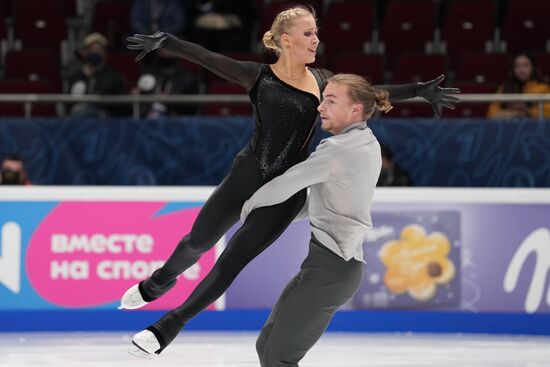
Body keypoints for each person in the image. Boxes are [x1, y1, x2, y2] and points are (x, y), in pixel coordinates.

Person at [122, 5, 460, 356]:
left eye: (316, 32)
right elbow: (209, 58)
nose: (316, 39)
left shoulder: (322, 81)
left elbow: (367, 93)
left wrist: (419, 90)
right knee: (196, 242)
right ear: (286, 40)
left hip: (286, 192)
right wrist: (170, 42)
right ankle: (160, 281)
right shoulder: (258, 76)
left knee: (232, 260)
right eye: (308, 33)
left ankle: (169, 325)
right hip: (247, 176)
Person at [239, 73, 388, 366]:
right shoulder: (365, 142)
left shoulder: (338, 150)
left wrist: (247, 206)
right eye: (322, 99)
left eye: (331, 101)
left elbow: (288, 183)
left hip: (332, 269)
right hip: (328, 267)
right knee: (267, 345)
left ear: (355, 109)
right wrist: (275, 215)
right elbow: (322, 202)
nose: (320, 107)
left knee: (277, 356)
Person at [65, 33, 127, 118]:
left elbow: (119, 106)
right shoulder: (76, 77)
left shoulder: (114, 77)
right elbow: (68, 103)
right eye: (92, 49)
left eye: (99, 50)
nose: (96, 52)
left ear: (105, 53)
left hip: (105, 119)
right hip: (78, 118)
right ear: (85, 53)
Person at [131, 48, 200, 118]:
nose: (166, 51)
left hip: (176, 122)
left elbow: (192, 109)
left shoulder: (188, 79)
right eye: (163, 47)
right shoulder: (147, 73)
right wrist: (137, 95)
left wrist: (170, 100)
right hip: (147, 119)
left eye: (169, 47)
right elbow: (137, 101)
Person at [487, 52, 550, 119]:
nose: (521, 69)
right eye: (517, 65)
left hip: (535, 128)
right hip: (509, 127)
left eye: (525, 65)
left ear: (533, 68)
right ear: (513, 69)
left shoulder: (544, 88)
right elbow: (491, 114)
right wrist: (516, 113)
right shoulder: (504, 88)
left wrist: (527, 109)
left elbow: (548, 113)